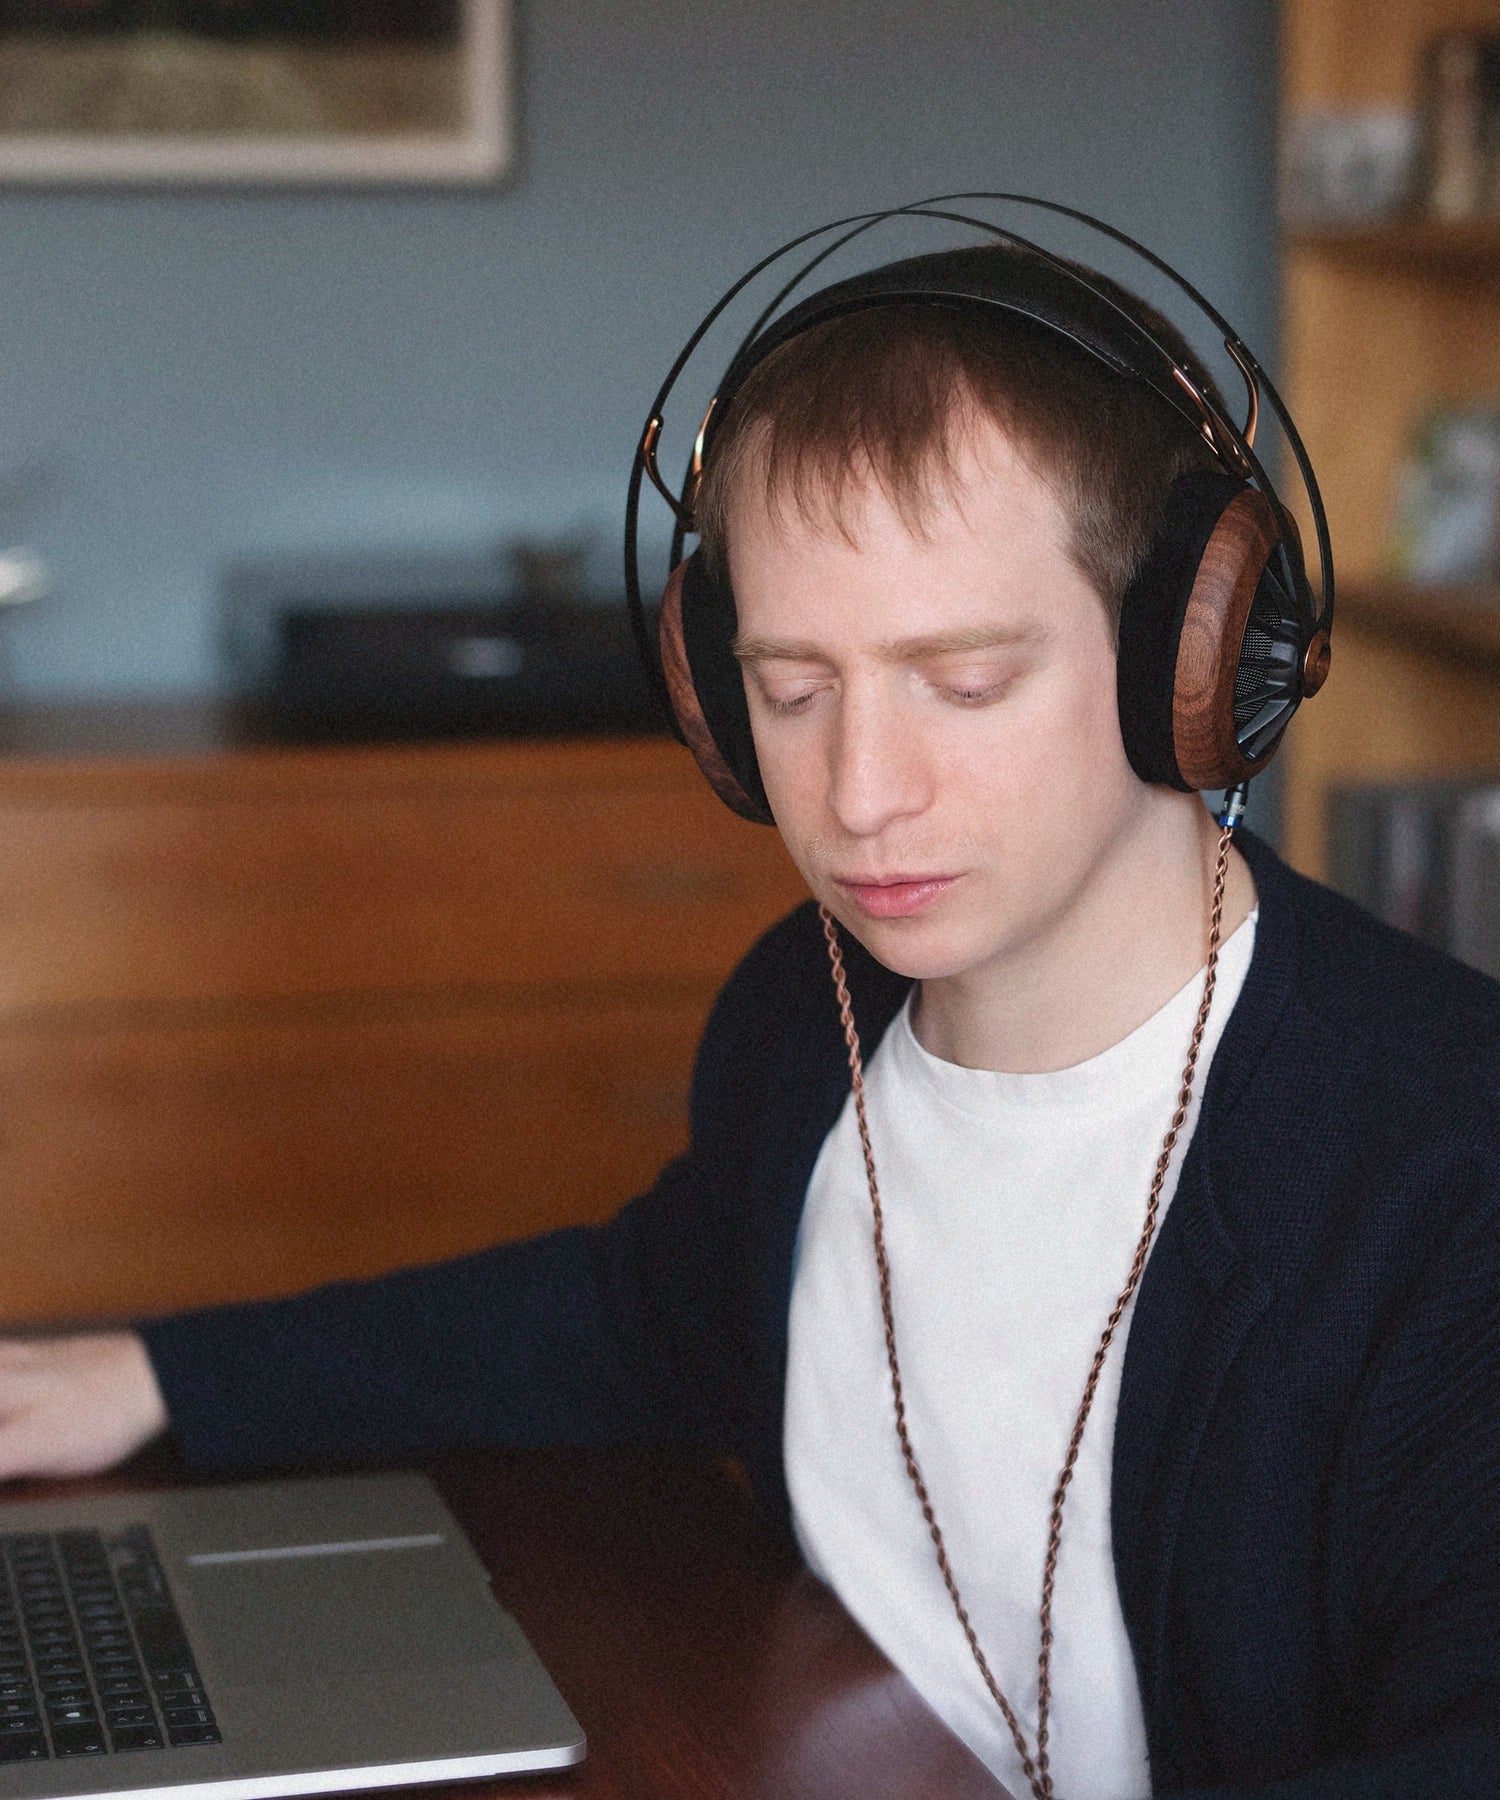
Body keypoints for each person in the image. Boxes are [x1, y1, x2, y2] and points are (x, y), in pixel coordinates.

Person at [0, 226, 1497, 1800]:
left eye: (965, 682)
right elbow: (641, 1315)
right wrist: (163, 1374)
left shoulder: (1441, 1174)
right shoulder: (811, 1011)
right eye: (791, 691)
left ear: (1189, 658)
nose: (858, 795)